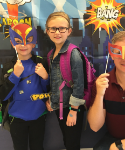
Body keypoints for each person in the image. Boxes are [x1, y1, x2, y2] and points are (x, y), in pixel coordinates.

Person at [0, 23, 50, 150]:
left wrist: (45, 77)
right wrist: (14, 75)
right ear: (12, 43)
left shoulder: (41, 62)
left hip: (38, 116)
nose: (23, 45)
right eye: (18, 41)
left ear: (34, 43)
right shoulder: (8, 67)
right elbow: (2, 95)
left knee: (37, 147)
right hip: (17, 117)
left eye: (28, 41)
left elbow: (49, 90)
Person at [45, 12, 85, 150]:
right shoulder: (50, 54)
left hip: (72, 107)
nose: (57, 32)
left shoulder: (73, 53)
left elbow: (79, 84)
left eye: (62, 28)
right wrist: (51, 98)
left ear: (69, 31)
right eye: (53, 28)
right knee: (67, 140)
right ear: (47, 31)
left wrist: (74, 110)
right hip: (59, 106)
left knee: (72, 143)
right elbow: (54, 81)